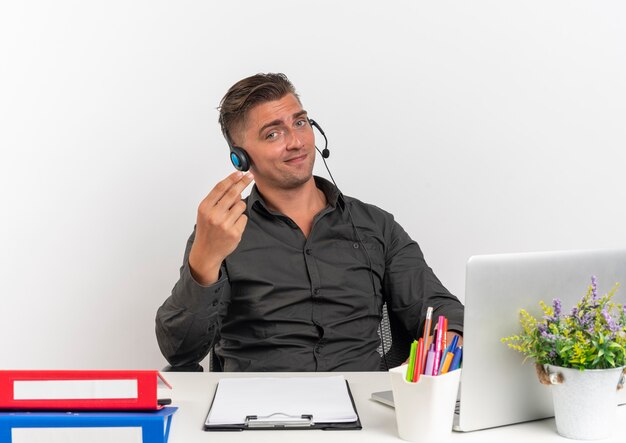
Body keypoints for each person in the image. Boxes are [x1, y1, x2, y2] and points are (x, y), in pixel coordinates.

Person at [155, 73, 464, 372]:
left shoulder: (375, 226)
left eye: (300, 123)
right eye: (273, 133)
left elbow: (440, 311)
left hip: (364, 406)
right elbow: (180, 351)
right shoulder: (221, 231)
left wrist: (448, 342)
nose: (296, 142)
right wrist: (205, 259)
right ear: (240, 157)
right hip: (257, 405)